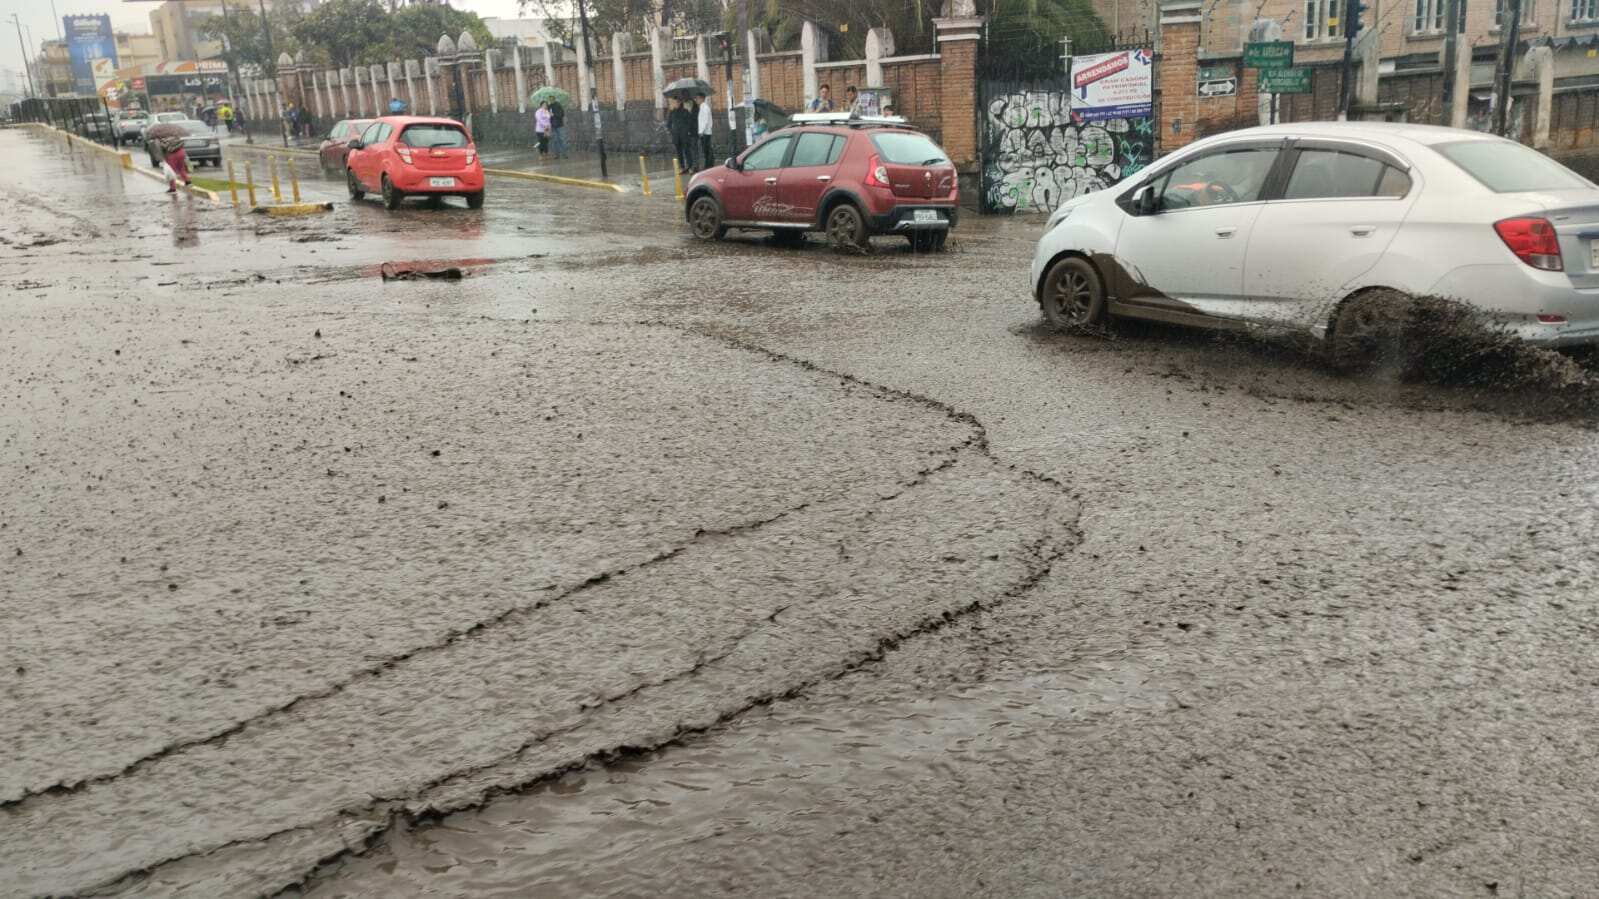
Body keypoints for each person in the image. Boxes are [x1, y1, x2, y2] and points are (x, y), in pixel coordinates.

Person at [156, 128, 192, 194]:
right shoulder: (176, 137)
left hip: (173, 155)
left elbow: (163, 150)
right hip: (181, 153)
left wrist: (163, 159)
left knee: (171, 172)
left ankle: (173, 189)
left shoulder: (162, 140)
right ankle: (188, 182)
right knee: (181, 168)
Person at [667, 96, 696, 173]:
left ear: (680, 102)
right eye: (673, 102)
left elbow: (690, 123)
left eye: (676, 102)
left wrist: (686, 131)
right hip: (676, 136)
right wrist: (672, 132)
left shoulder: (685, 111)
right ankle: (682, 167)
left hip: (685, 136)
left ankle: (690, 167)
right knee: (679, 152)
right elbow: (668, 124)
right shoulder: (672, 112)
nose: (674, 104)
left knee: (687, 151)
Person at [695, 91, 713, 172]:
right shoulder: (702, 107)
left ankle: (709, 165)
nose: (696, 100)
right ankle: (708, 164)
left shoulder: (704, 107)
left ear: (702, 98)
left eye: (698, 98)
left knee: (707, 149)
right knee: (706, 149)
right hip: (705, 131)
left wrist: (701, 131)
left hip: (705, 132)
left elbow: (705, 121)